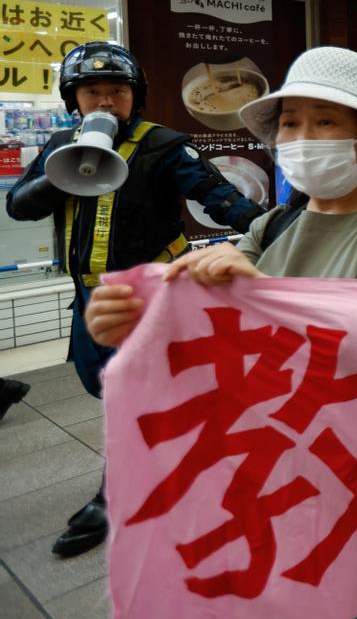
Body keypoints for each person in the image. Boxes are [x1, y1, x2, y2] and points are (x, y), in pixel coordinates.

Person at [5, 41, 266, 558]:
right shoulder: (60, 143)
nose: (104, 101)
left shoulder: (164, 145)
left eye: (116, 92)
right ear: (72, 99)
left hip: (153, 295)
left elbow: (221, 200)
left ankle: (117, 494)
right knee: (99, 382)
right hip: (89, 294)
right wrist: (68, 171)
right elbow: (18, 206)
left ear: (135, 96)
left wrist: (278, 235)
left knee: (135, 392)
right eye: (92, 91)